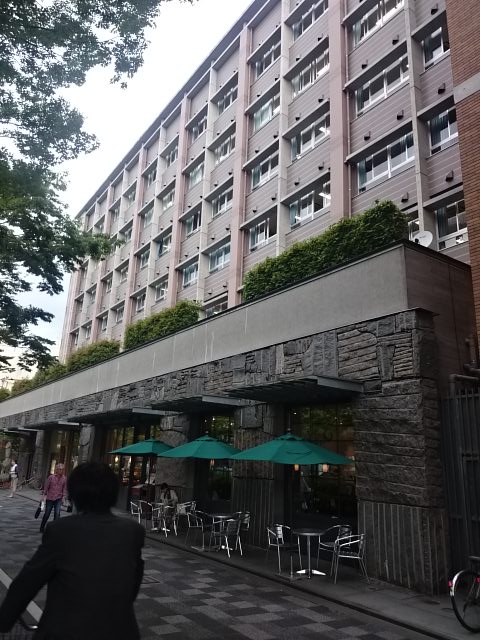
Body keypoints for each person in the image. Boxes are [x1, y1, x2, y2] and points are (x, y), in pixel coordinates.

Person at [0, 461, 145, 640]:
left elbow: (27, 582)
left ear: (75, 494)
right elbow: (133, 584)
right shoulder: (133, 531)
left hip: (65, 631)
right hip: (122, 631)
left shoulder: (61, 530)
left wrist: (5, 620)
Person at [39, 463, 67, 533]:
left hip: (58, 498)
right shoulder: (51, 477)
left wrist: (63, 497)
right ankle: (42, 527)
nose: (60, 471)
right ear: (56, 470)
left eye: (61, 469)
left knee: (57, 514)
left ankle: (54, 529)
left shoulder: (64, 478)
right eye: (59, 469)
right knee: (47, 514)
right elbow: (46, 487)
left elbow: (64, 489)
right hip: (50, 498)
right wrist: (43, 496)